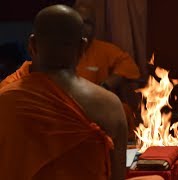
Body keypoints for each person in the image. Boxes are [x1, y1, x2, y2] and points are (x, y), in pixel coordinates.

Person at [0, 5, 128, 179]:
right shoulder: (110, 105)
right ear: (82, 46)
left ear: (32, 44)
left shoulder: (6, 100)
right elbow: (118, 176)